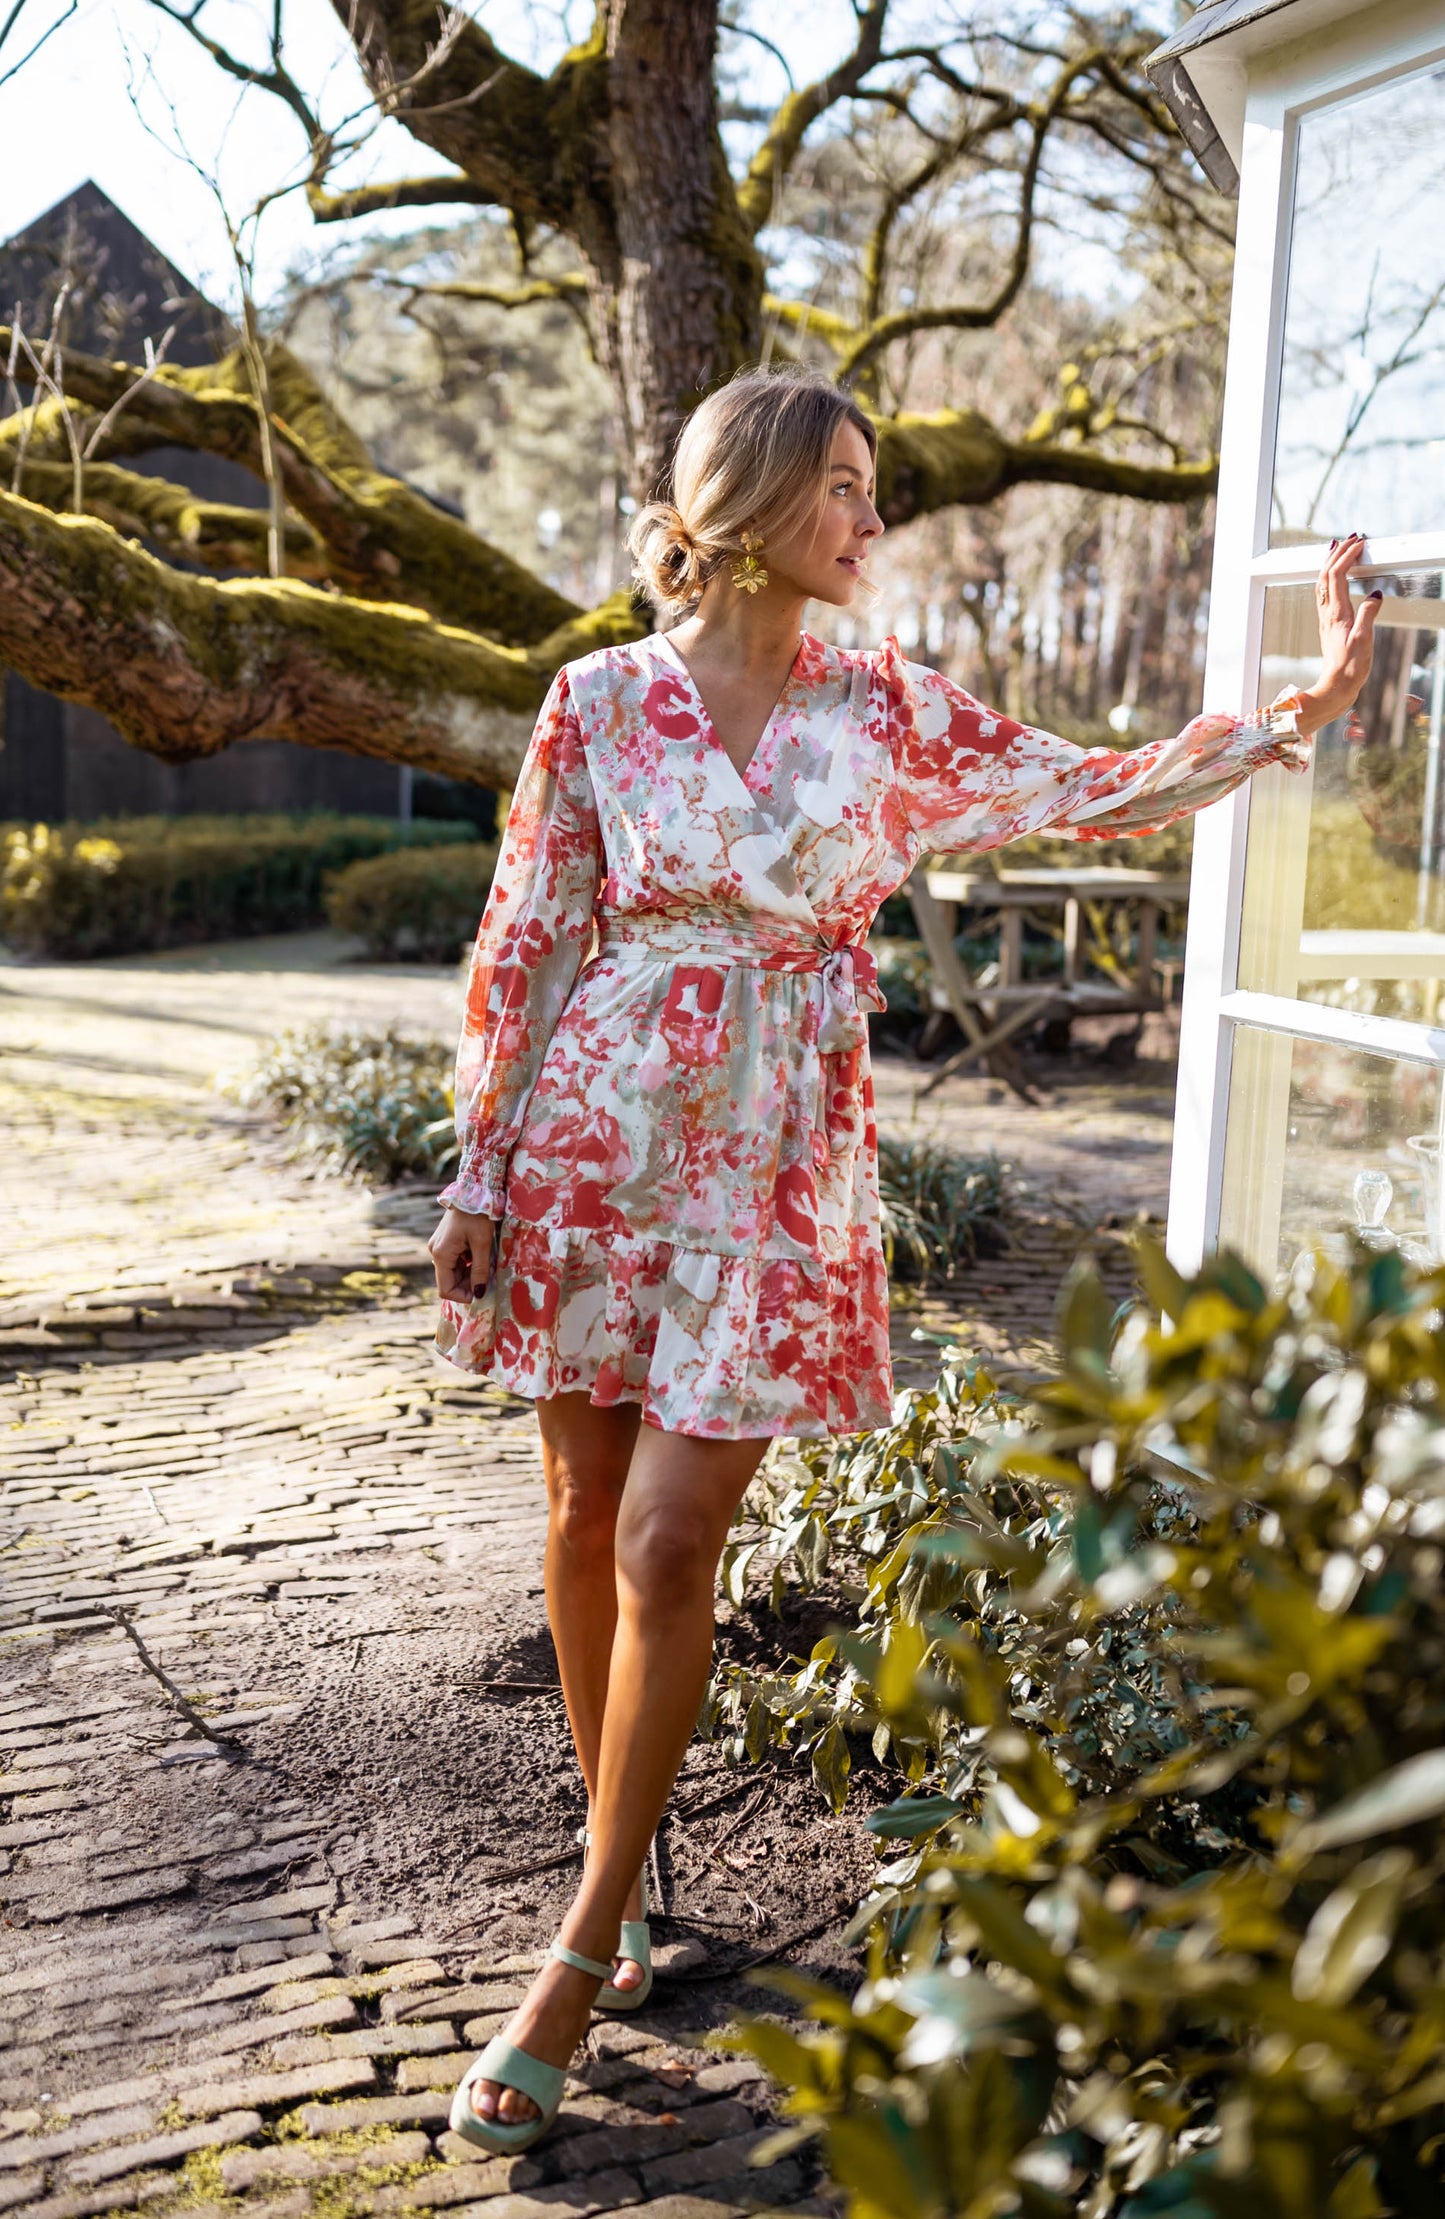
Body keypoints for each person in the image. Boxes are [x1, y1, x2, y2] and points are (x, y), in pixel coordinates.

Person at [427, 367, 1380, 2151]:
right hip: (594, 1140)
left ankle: (571, 1949)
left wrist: (1295, 708)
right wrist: (479, 1167)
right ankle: (617, 1866)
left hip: (780, 1155)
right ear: (756, 500)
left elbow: (1086, 787)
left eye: (872, 487)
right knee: (574, 1521)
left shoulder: (881, 708)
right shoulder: (595, 704)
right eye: (849, 486)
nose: (873, 520)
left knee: (667, 1533)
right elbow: (528, 938)